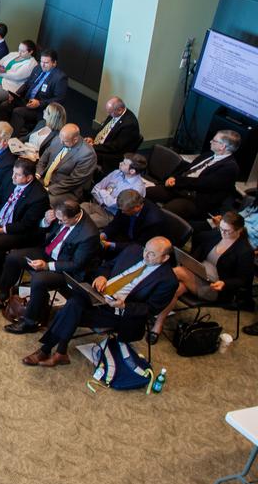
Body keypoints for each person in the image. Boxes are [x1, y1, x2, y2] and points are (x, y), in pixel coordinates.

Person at [22, 238, 177, 368]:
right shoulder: (134, 250)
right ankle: (59, 353)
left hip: (120, 313)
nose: (146, 255)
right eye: (146, 250)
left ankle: (48, 350)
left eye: (152, 254)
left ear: (165, 258)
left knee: (72, 308)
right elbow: (107, 266)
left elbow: (151, 310)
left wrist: (124, 306)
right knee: (74, 304)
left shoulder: (168, 281)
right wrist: (102, 276)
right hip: (100, 294)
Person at [0, 198, 101, 319]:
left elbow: (76, 264)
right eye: (58, 219)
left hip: (65, 269)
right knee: (13, 258)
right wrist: (45, 221)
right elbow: (43, 230)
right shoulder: (63, 214)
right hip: (47, 252)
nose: (60, 223)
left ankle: (30, 321)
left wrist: (47, 266)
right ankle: (3, 296)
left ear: (76, 217)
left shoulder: (89, 235)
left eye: (63, 221)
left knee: (39, 280)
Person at [149, 211, 254, 340]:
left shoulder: (244, 251)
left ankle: (142, 298)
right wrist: (190, 261)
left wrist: (225, 283)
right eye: (221, 228)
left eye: (227, 231)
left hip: (216, 288)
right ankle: (158, 326)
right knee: (176, 289)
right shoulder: (217, 235)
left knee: (177, 272)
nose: (223, 233)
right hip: (198, 274)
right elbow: (199, 244)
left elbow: (244, 280)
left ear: (239, 230)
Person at [144, 130, 242, 221]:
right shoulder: (208, 154)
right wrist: (172, 177)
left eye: (214, 140)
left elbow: (203, 183)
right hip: (180, 188)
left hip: (195, 199)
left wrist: (177, 181)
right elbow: (186, 168)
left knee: (168, 211)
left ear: (222, 147)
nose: (210, 141)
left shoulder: (230, 168)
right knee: (146, 193)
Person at [3, 49, 69, 137]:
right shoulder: (38, 68)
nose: (43, 65)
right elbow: (28, 83)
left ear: (54, 63)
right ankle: (3, 132)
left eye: (46, 63)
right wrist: (17, 93)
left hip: (41, 109)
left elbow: (59, 99)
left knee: (17, 112)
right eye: (41, 61)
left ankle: (11, 139)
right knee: (4, 105)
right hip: (27, 100)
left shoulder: (60, 78)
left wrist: (39, 103)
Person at [35, 123, 98, 203]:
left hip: (65, 190)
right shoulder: (60, 138)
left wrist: (48, 189)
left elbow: (73, 181)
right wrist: (38, 173)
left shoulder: (87, 154)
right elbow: (45, 156)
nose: (61, 142)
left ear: (75, 139)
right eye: (60, 139)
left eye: (65, 141)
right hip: (44, 177)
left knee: (40, 200)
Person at [82, 154, 149, 227]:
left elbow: (113, 204)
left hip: (110, 215)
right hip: (96, 204)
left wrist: (102, 191)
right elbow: (95, 188)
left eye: (124, 163)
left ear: (132, 171)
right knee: (74, 212)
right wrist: (104, 200)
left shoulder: (137, 189)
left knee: (83, 223)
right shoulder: (117, 172)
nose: (120, 163)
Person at [99, 190, 170, 254]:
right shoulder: (125, 206)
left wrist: (111, 245)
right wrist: (104, 235)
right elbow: (115, 223)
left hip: (141, 246)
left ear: (137, 207)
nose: (122, 212)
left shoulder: (154, 221)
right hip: (127, 235)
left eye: (125, 211)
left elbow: (139, 245)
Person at [86, 97, 142, 173]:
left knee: (87, 152)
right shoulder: (115, 113)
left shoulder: (129, 124)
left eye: (110, 112)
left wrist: (94, 147)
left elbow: (115, 147)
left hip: (113, 154)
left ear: (120, 110)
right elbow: (102, 129)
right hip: (104, 144)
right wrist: (92, 138)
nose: (109, 114)